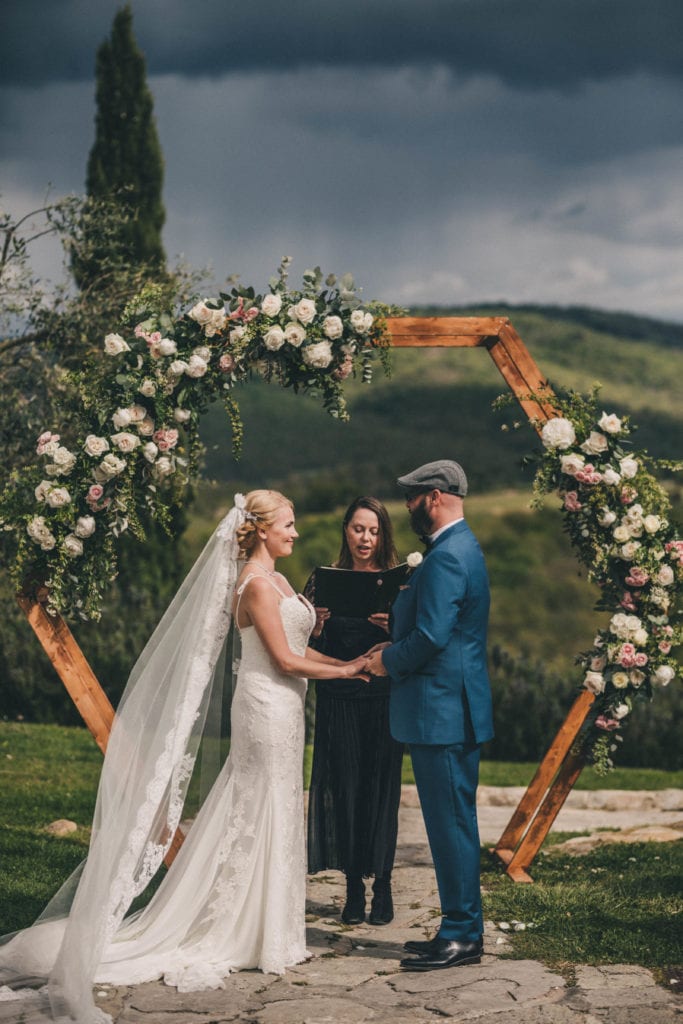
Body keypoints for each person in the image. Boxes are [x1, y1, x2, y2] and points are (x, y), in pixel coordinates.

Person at [0, 491, 369, 1024]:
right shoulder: (255, 585)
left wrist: (347, 659)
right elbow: (285, 661)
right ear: (261, 530)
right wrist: (349, 672)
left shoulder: (282, 581)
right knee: (258, 809)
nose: (295, 533)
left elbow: (302, 647)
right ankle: (245, 932)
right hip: (265, 709)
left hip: (288, 714)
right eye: (287, 525)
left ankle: (272, 930)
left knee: (278, 809)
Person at [366, 460, 494, 973]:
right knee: (453, 824)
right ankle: (460, 928)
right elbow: (442, 624)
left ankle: (463, 934)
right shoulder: (462, 548)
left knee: (450, 827)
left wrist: (385, 660)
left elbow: (434, 637)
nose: (408, 507)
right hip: (451, 709)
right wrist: (397, 617)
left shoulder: (444, 557)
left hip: (441, 711)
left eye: (413, 498)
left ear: (435, 496)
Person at [305, 497, 405, 926]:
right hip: (338, 698)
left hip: (383, 698)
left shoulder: (400, 584)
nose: (365, 538)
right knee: (344, 790)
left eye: (374, 531)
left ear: (383, 535)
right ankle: (352, 889)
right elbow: (305, 647)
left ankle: (381, 884)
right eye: (358, 529)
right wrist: (316, 624)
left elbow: (419, 642)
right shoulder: (322, 580)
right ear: (345, 529)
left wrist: (395, 627)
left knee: (380, 791)